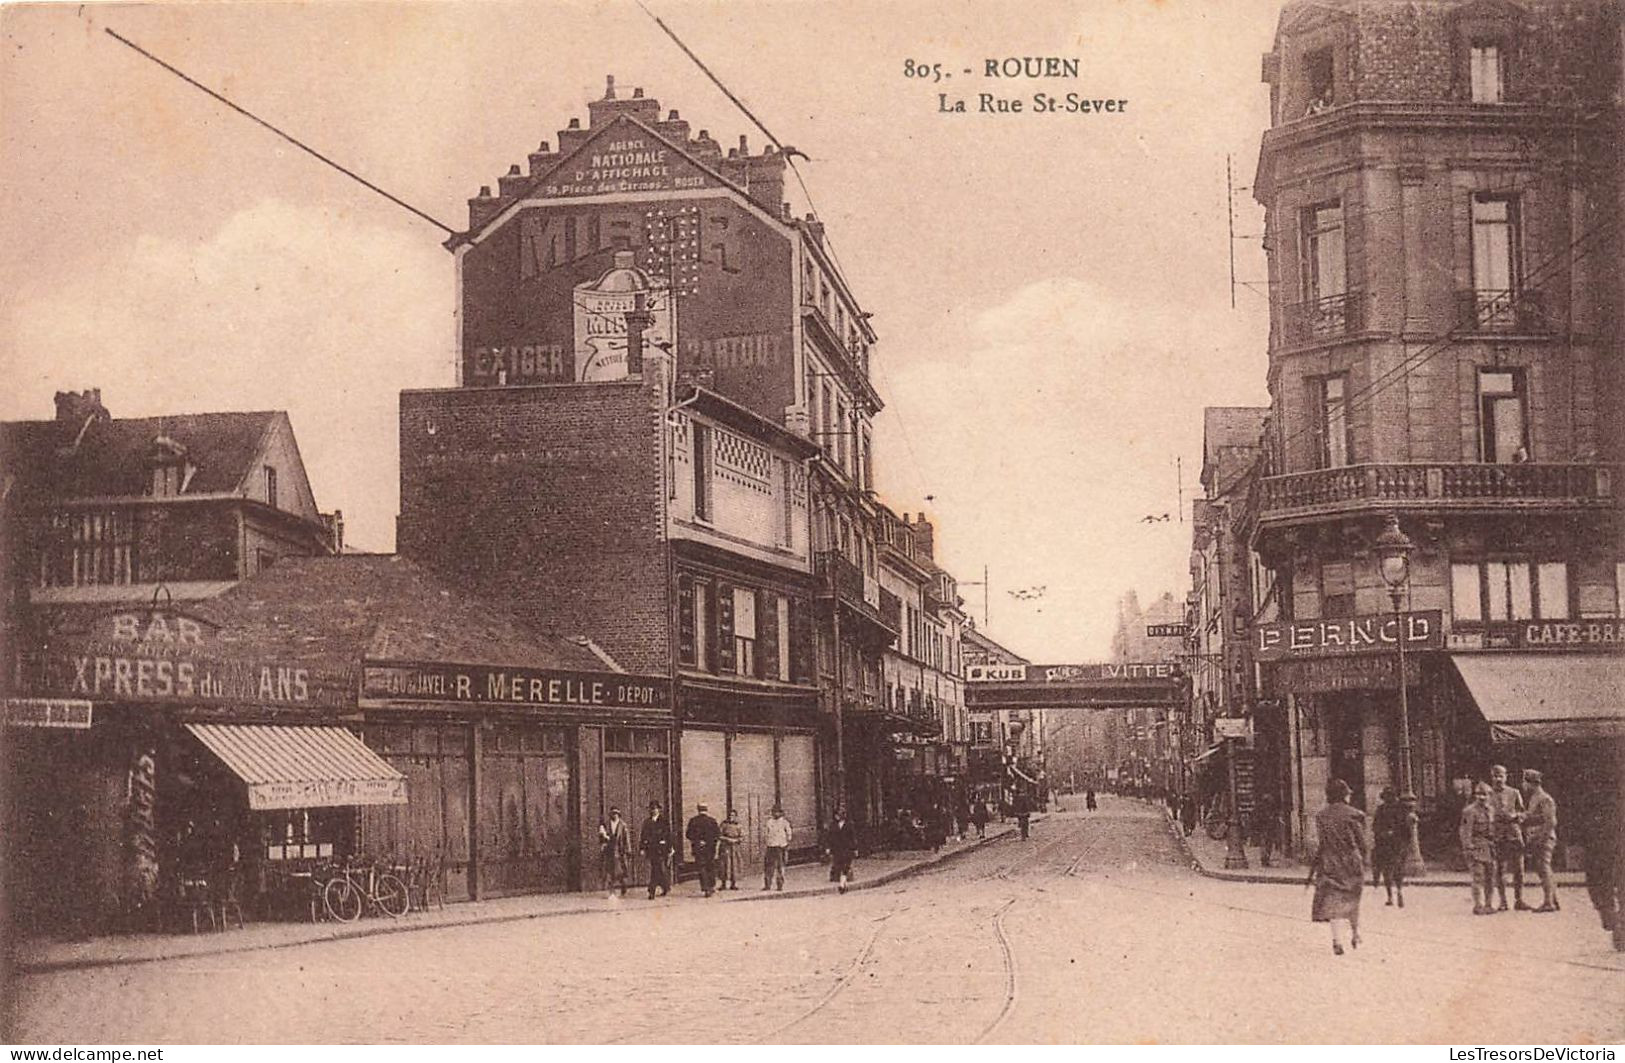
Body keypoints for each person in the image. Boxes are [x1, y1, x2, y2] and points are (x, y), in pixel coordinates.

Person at [1306, 777, 1368, 955]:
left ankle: (1337, 941)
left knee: (1333, 901)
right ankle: (1355, 933)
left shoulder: (1321, 816)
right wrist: (1364, 858)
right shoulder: (1355, 814)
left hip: (1329, 861)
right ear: (1344, 795)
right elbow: (1361, 842)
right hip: (1350, 861)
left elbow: (1321, 842)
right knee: (1352, 898)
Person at [1488, 763, 1528, 911]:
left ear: (1506, 777)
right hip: (1497, 836)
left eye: (1501, 775)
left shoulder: (1514, 793)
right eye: (1495, 776)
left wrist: (1516, 816)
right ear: (1491, 777)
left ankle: (1519, 899)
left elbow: (1524, 813)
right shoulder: (1488, 794)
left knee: (1519, 869)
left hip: (1513, 834)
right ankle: (1503, 901)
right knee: (1499, 869)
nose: (1498, 779)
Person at [1521, 769, 1559, 913]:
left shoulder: (1544, 798)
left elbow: (1551, 821)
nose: (1523, 785)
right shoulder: (1535, 797)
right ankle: (1553, 899)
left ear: (1531, 783)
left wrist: (1541, 839)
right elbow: (1536, 816)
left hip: (1543, 838)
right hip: (1536, 837)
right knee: (1542, 868)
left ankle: (1549, 902)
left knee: (1544, 868)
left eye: (1525, 781)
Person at [1460, 781, 1498, 915]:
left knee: (1490, 877)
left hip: (1490, 847)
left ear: (1490, 795)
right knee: (1478, 877)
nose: (1482, 797)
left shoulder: (1492, 810)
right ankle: (1478, 905)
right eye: (1478, 794)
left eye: (1485, 794)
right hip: (1476, 847)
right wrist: (1468, 848)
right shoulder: (1469, 811)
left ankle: (1489, 904)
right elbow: (1465, 831)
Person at [1371, 787, 1410, 908]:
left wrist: (1383, 834)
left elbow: (1375, 827)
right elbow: (1407, 829)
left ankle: (1390, 896)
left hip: (1384, 844)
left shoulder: (1381, 810)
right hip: (1398, 844)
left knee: (1386, 870)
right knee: (1398, 868)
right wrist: (1405, 842)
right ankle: (1399, 890)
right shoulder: (1402, 809)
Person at [639, 800, 674, 899]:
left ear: (659, 809)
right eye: (652, 809)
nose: (653, 810)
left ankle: (652, 891)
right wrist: (642, 848)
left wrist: (670, 847)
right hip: (651, 849)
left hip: (662, 849)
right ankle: (665, 886)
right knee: (657, 869)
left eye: (655, 808)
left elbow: (669, 835)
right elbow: (643, 836)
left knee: (656, 869)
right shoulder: (647, 822)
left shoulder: (663, 821)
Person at [685, 803, 721, 897]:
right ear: (706, 809)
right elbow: (717, 835)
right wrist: (708, 842)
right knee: (710, 867)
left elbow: (688, 834)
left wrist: (698, 841)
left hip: (698, 848)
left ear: (698, 809)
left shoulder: (693, 821)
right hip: (710, 849)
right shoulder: (712, 821)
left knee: (701, 868)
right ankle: (711, 886)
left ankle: (705, 887)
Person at [597, 806, 631, 896]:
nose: (614, 815)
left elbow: (626, 839)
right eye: (613, 813)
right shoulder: (606, 825)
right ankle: (612, 891)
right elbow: (601, 838)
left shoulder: (623, 825)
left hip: (620, 851)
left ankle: (623, 886)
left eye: (616, 814)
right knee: (610, 871)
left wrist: (628, 850)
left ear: (618, 814)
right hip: (610, 851)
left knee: (621, 871)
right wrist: (603, 842)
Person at [828, 805, 858, 893]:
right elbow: (830, 837)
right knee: (839, 866)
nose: (837, 817)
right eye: (836, 815)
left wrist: (855, 849)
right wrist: (828, 847)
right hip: (837, 849)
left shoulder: (849, 825)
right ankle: (844, 884)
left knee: (846, 866)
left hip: (847, 849)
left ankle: (841, 884)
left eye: (838, 815)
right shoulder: (833, 825)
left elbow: (853, 837)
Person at [763, 805, 792, 891]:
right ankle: (767, 884)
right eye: (774, 812)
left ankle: (780, 884)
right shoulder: (769, 822)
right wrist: (768, 842)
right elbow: (766, 833)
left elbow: (789, 834)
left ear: (780, 813)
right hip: (771, 846)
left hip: (780, 846)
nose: (775, 814)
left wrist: (785, 843)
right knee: (769, 866)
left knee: (780, 867)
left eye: (777, 812)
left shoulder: (784, 822)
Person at [717, 809, 744, 891]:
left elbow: (742, 836)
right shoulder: (724, 824)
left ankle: (733, 883)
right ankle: (723, 883)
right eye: (730, 815)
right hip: (725, 846)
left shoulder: (739, 825)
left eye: (733, 815)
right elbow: (719, 835)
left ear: (736, 816)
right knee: (724, 864)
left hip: (735, 847)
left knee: (734, 864)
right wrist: (726, 839)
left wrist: (736, 840)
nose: (731, 817)